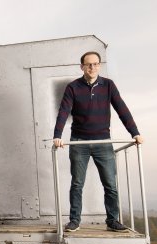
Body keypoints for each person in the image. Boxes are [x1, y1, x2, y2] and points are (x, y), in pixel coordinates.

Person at [52, 51, 144, 232]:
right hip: (79, 142)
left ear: (99, 66)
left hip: (103, 141)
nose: (92, 67)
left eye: (95, 64)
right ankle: (74, 221)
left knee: (110, 183)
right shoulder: (73, 87)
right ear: (82, 67)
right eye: (88, 64)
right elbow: (64, 111)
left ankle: (112, 220)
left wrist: (135, 133)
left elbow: (122, 109)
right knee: (77, 183)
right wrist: (58, 135)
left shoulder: (108, 86)